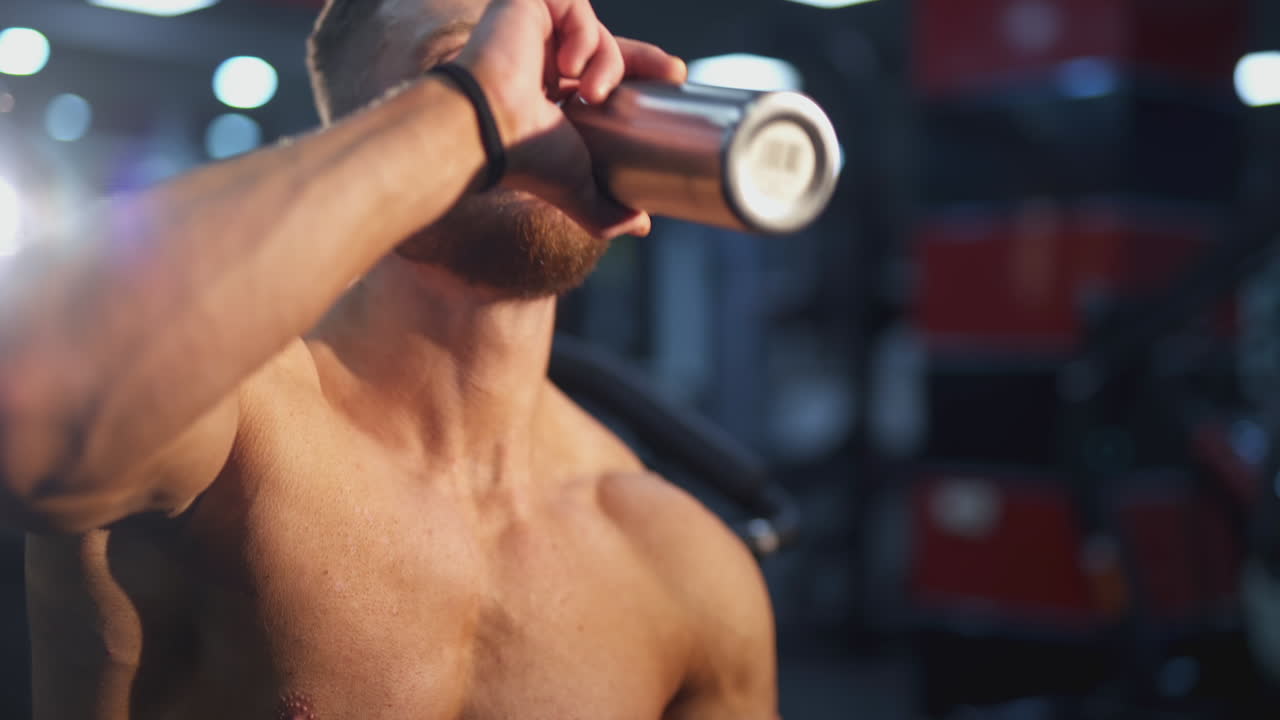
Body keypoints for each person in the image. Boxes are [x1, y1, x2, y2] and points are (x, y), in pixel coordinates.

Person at [0, 0, 780, 717]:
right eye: (459, 65)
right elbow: (31, 401)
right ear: (363, 125)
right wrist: (470, 112)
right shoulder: (233, 430)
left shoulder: (684, 567)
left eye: (552, 79)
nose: (533, 108)